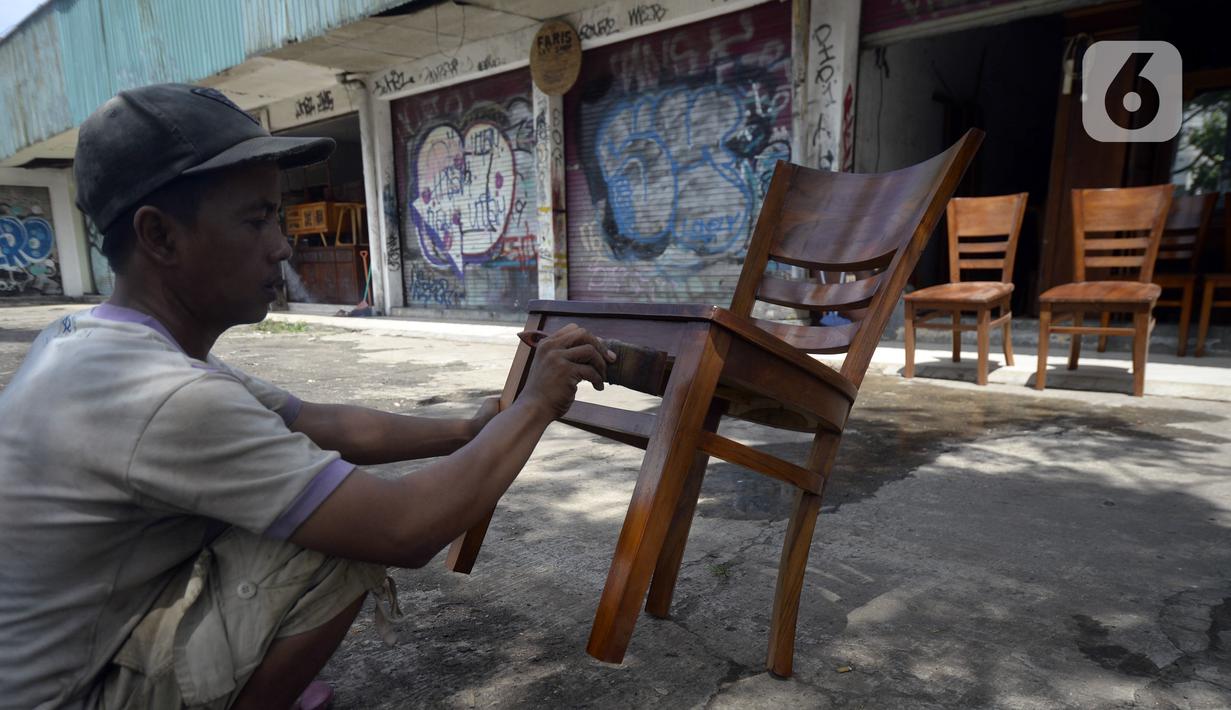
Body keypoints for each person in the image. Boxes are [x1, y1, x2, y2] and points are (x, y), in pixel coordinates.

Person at [0, 83, 614, 710]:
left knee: (305, 494)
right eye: (256, 219)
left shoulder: (98, 344)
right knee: (335, 540)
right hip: (72, 694)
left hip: (57, 662)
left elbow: (319, 423)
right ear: (159, 237)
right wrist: (537, 406)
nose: (282, 245)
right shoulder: (166, 397)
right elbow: (402, 530)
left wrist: (473, 426)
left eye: (278, 216)